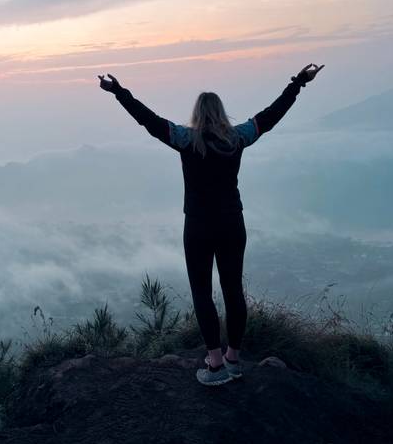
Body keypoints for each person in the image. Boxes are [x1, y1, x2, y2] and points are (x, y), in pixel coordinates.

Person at [99, 63, 325, 386]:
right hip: (232, 222)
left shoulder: (184, 139)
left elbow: (147, 120)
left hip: (199, 226)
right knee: (234, 291)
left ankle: (215, 365)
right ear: (221, 113)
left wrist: (119, 93)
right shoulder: (237, 139)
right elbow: (272, 115)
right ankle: (233, 358)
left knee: (202, 292)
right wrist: (299, 82)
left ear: (197, 114)